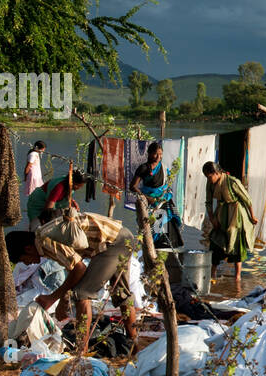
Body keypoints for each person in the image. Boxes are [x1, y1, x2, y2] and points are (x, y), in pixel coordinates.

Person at [29, 211, 139, 351]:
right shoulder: (43, 234)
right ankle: (135, 350)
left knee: (81, 294)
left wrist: (53, 298)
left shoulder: (44, 241)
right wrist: (63, 299)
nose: (28, 263)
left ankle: (81, 352)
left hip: (112, 242)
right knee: (121, 294)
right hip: (123, 236)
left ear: (27, 249)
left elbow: (79, 269)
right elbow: (73, 269)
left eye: (24, 260)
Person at [202, 161, 258, 285]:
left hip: (236, 214)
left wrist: (252, 216)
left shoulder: (232, 182)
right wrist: (212, 218)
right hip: (221, 213)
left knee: (237, 245)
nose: (209, 179)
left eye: (210, 176)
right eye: (207, 177)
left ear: (217, 173)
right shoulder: (210, 184)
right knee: (216, 242)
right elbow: (208, 202)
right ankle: (213, 274)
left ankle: (237, 277)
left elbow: (247, 200)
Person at [129, 142, 183, 246]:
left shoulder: (163, 167)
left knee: (166, 223)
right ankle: (150, 247)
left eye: (161, 154)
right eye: (156, 154)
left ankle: (164, 246)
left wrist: (164, 196)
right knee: (149, 226)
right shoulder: (143, 168)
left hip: (163, 200)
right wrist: (147, 198)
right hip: (149, 202)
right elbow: (133, 186)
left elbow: (167, 185)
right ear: (149, 153)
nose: (159, 157)